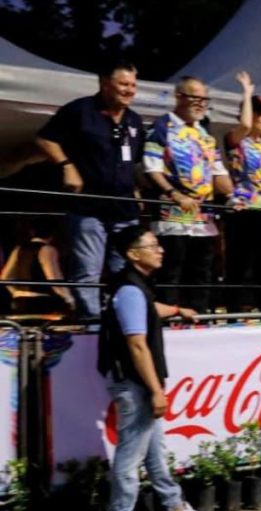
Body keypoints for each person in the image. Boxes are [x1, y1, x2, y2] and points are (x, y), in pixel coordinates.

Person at [97, 226, 210, 511]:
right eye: (152, 245)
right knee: (131, 453)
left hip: (136, 381)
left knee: (154, 451)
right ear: (133, 254)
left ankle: (174, 507)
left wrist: (176, 310)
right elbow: (137, 345)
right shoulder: (130, 289)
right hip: (134, 382)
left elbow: (147, 310)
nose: (160, 250)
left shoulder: (133, 286)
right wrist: (156, 390)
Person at [36, 59, 146, 318]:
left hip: (124, 209)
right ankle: (92, 328)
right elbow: (45, 138)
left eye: (133, 85)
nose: (129, 90)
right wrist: (67, 165)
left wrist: (137, 190)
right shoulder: (80, 110)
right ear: (105, 83)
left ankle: (122, 324)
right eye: (123, 84)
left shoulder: (135, 120)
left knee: (126, 271)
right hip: (88, 208)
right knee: (88, 271)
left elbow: (134, 161)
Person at [144, 76, 232, 313]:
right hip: (173, 212)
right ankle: (169, 323)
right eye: (195, 97)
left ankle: (200, 320)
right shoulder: (162, 126)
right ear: (179, 97)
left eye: (205, 99)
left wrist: (238, 195)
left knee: (202, 272)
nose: (201, 104)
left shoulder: (205, 134)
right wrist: (174, 193)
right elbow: (152, 167)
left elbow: (218, 172)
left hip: (203, 215)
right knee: (172, 270)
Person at [223, 72, 261, 312]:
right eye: (260, 112)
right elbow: (245, 125)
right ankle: (234, 312)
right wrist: (246, 92)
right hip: (241, 210)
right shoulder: (237, 139)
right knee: (238, 264)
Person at [0, 219, 76, 316]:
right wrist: (70, 299)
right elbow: (54, 279)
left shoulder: (18, 249)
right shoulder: (48, 250)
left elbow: (5, 277)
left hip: (19, 301)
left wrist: (15, 292)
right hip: (40, 301)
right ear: (53, 234)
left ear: (31, 232)